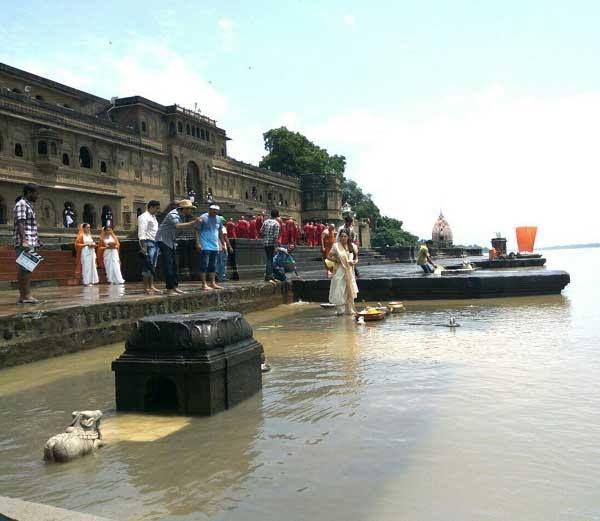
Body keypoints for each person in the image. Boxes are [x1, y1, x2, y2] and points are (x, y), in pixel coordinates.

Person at [155, 199, 200, 295]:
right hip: (163, 240)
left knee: (174, 264)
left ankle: (175, 286)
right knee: (168, 264)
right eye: (189, 209)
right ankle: (169, 288)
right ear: (183, 209)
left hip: (171, 241)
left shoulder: (182, 216)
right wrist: (193, 223)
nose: (191, 211)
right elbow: (178, 226)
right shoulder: (173, 215)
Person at [13, 183, 41, 304]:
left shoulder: (28, 205)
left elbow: (30, 226)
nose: (37, 196)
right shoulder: (22, 205)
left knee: (28, 268)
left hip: (30, 241)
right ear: (29, 192)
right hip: (24, 242)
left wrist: (37, 240)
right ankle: (25, 296)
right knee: (24, 269)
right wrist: (24, 240)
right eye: (36, 193)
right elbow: (20, 223)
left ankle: (25, 296)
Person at [327, 229, 358, 315]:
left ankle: (349, 309)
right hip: (339, 270)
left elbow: (356, 259)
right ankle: (340, 311)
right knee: (340, 290)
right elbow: (328, 257)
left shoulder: (352, 246)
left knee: (349, 290)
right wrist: (337, 260)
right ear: (339, 237)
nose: (343, 238)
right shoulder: (336, 246)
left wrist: (354, 262)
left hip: (349, 271)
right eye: (341, 236)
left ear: (348, 237)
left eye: (345, 236)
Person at [194, 204, 226, 290]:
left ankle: (213, 283)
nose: (215, 212)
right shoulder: (203, 217)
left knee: (213, 265)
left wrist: (222, 244)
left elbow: (220, 232)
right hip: (205, 245)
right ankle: (204, 284)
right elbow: (196, 230)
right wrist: (198, 243)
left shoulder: (219, 219)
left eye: (216, 210)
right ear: (209, 209)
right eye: (213, 210)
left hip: (215, 245)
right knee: (204, 264)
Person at [138, 200, 161, 295]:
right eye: (156, 208)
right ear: (151, 207)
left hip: (155, 242)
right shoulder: (144, 217)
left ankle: (151, 285)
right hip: (147, 242)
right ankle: (145, 287)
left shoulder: (153, 217)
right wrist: (144, 246)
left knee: (153, 265)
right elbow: (142, 232)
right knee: (147, 265)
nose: (157, 210)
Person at [261, 209, 281, 282]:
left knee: (268, 259)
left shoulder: (265, 222)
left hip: (265, 243)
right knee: (270, 259)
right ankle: (269, 276)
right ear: (277, 215)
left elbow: (261, 231)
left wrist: (266, 236)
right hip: (272, 243)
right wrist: (276, 246)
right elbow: (276, 236)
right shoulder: (276, 223)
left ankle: (268, 275)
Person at [216, 215, 234, 282]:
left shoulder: (215, 227)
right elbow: (225, 238)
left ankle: (218, 276)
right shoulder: (222, 228)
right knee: (223, 262)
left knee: (218, 262)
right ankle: (222, 276)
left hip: (216, 247)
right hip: (222, 247)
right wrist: (229, 246)